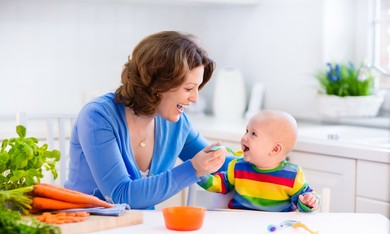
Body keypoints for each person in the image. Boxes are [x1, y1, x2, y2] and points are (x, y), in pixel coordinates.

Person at [65, 31, 231, 209]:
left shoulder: (177, 124)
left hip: (140, 228)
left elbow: (223, 167)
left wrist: (257, 157)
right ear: (159, 84)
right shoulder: (97, 117)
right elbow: (120, 195)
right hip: (86, 225)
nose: (195, 98)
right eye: (189, 88)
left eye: (197, 88)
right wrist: (193, 169)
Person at [198, 110, 320, 212]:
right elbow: (218, 184)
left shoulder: (292, 175)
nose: (244, 137)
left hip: (273, 230)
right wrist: (199, 172)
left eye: (254, 134)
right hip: (238, 225)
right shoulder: (237, 167)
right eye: (247, 131)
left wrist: (309, 201)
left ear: (275, 149)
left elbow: (305, 199)